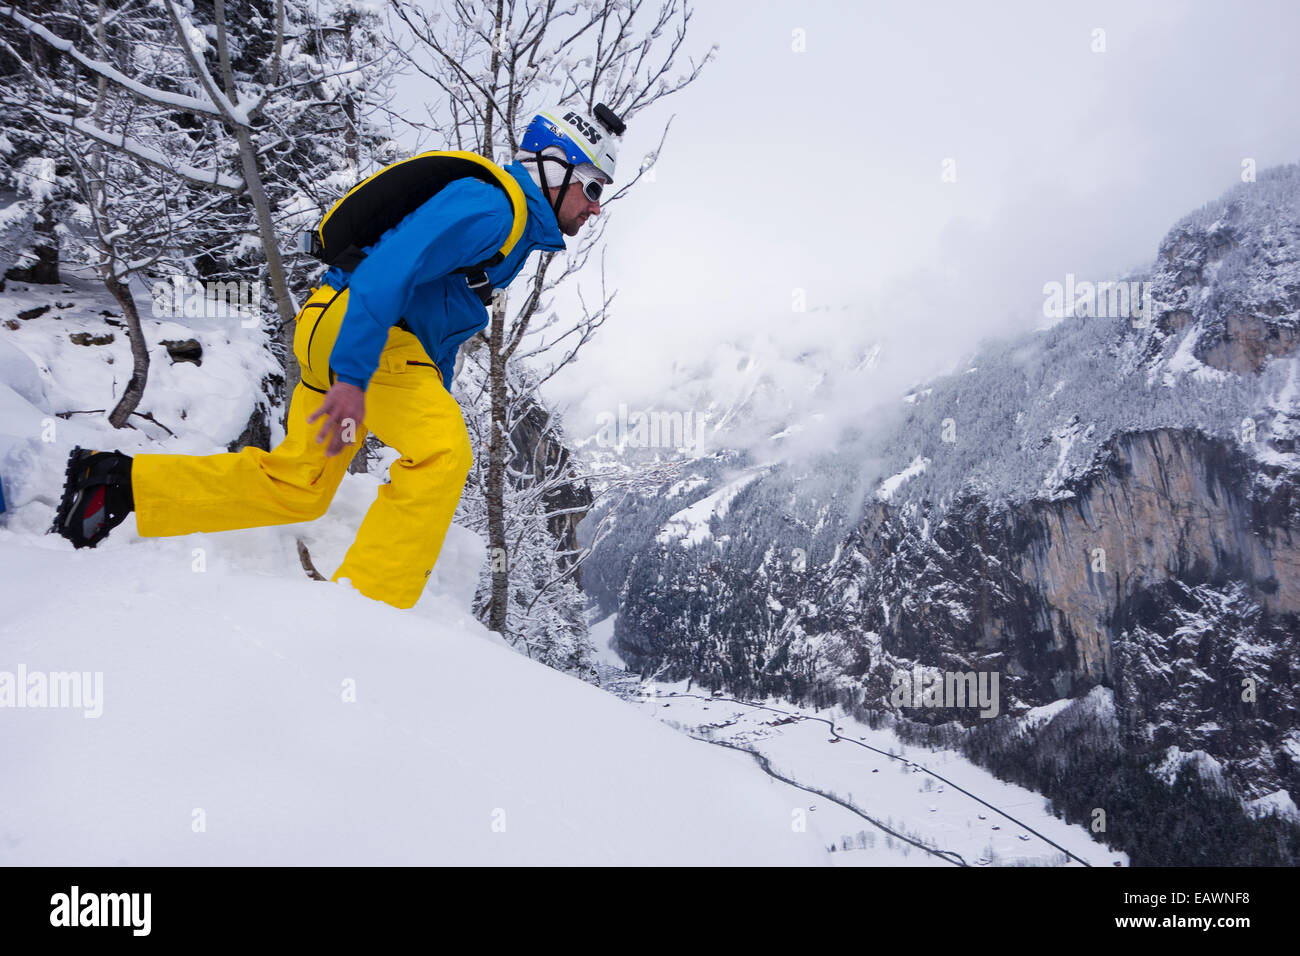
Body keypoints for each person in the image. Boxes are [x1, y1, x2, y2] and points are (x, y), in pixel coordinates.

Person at [51, 105, 623, 609]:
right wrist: (353, 377)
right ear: (554, 167)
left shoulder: (512, 225)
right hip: (365, 335)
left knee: (299, 482)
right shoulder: (495, 208)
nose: (595, 208)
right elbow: (387, 269)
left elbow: (439, 317)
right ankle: (363, 611)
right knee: (444, 455)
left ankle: (115, 483)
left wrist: (410, 384)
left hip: (343, 328)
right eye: (592, 187)